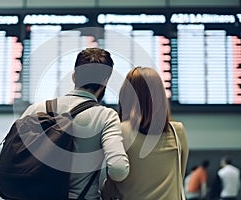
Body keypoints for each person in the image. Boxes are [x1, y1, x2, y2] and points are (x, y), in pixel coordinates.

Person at [21, 47, 130, 200]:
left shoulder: (37, 109)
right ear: (105, 81)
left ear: (74, 77)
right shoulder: (106, 116)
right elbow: (118, 170)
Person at [115, 67, 189, 199]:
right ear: (160, 96)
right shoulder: (177, 131)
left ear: (126, 95)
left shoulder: (119, 131)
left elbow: (112, 184)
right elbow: (179, 176)